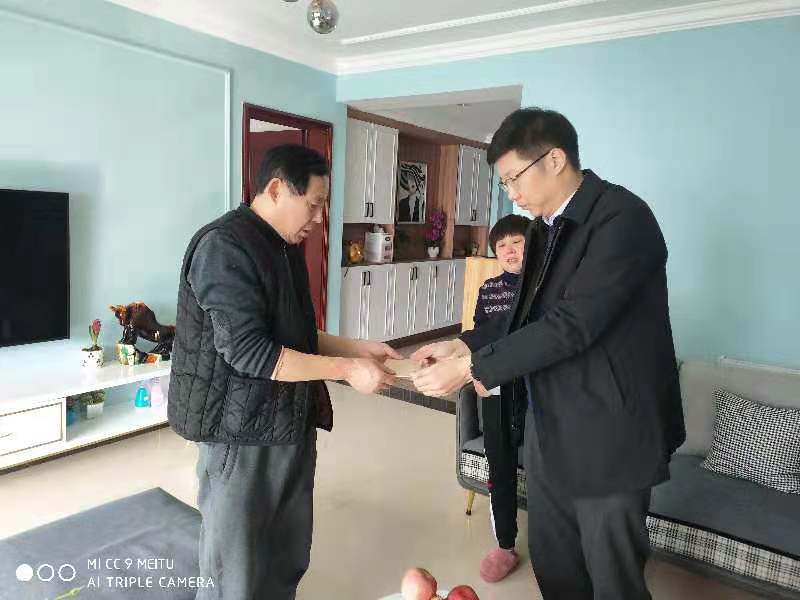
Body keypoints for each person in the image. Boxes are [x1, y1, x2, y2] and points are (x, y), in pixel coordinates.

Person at [411, 108, 686, 600]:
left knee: (613, 578)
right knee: (557, 568)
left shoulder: (623, 219)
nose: (510, 193)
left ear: (555, 160)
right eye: (504, 183)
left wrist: (472, 368)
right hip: (550, 427)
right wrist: (464, 342)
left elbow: (573, 324)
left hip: (609, 434)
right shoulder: (543, 229)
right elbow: (525, 315)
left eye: (513, 178)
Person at [167, 144, 400, 600]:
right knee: (235, 572)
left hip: (287, 421)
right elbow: (250, 352)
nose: (319, 217)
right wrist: (347, 368)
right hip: (239, 433)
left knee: (286, 554)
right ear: (276, 189)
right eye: (313, 204)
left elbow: (295, 335)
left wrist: (359, 349)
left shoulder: (283, 245)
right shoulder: (223, 246)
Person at [472, 214, 531, 583]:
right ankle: (505, 545)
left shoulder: (543, 288)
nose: (510, 251)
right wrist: (477, 373)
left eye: (517, 242)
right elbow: (480, 336)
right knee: (500, 466)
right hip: (496, 389)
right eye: (502, 245)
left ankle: (560, 540)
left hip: (536, 390)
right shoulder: (489, 289)